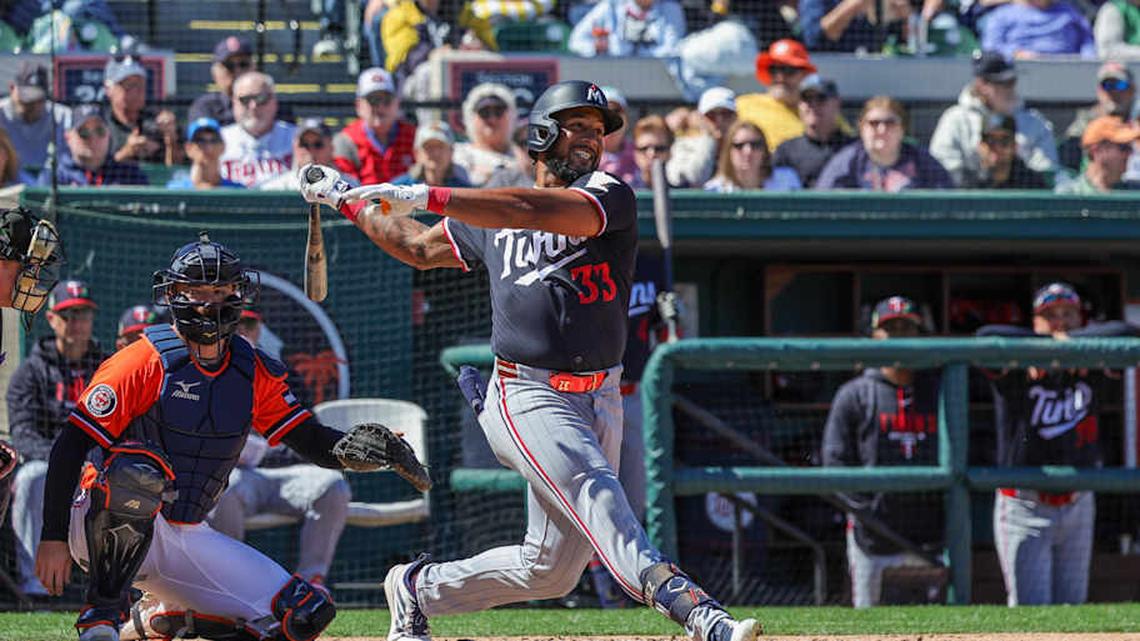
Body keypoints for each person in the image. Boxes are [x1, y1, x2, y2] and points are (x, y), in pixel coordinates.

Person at [299, 79, 761, 641]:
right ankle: (693, 609)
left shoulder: (609, 194)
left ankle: (416, 589)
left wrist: (426, 193)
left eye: (599, 130)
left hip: (600, 394)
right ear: (541, 133)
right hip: (527, 391)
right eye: (578, 127)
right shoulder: (488, 211)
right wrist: (344, 195)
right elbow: (416, 247)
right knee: (596, 491)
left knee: (550, 570)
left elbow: (528, 206)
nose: (592, 140)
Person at [33, 234, 427, 641]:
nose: (210, 301)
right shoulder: (143, 359)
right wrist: (52, 537)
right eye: (197, 290)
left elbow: (307, 437)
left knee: (304, 614)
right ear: (174, 295)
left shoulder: (252, 368)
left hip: (185, 530)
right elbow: (71, 444)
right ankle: (102, 613)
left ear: (239, 294)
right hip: (99, 521)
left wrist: (356, 449)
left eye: (221, 290)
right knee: (137, 471)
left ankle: (167, 619)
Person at [977, 282, 1137, 605]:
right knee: (1030, 613)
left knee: (1071, 609)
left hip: (1077, 501)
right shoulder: (1017, 363)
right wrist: (1040, 349)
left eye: (1068, 315)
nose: (1060, 322)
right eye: (1050, 316)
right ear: (1034, 323)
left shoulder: (1091, 360)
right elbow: (983, 336)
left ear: (1082, 322)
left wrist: (1073, 346)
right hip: (1024, 502)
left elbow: (1128, 332)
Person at [207, 308, 352, 588]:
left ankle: (310, 582)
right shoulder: (208, 371)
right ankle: (228, 580)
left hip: (281, 474)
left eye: (248, 324)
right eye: (235, 324)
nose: (242, 332)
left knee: (333, 485)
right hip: (234, 477)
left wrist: (265, 452)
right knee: (224, 489)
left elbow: (308, 437)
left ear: (259, 329)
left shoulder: (279, 371)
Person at [822, 296, 942, 608]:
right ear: (875, 335)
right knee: (869, 624)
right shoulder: (854, 394)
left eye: (907, 328)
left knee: (937, 626)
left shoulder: (939, 391)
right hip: (871, 540)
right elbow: (833, 464)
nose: (899, 336)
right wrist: (870, 512)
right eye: (891, 329)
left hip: (928, 538)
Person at [8, 280, 103, 600]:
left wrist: (90, 463)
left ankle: (115, 586)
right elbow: (22, 434)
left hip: (96, 468)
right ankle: (35, 586)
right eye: (69, 315)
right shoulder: (31, 372)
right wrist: (65, 464)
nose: (77, 322)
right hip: (50, 469)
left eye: (83, 314)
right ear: (51, 319)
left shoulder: (106, 367)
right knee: (31, 476)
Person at [929, 52, 1058, 187]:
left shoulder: (1034, 122)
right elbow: (941, 173)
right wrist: (981, 179)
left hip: (1021, 201)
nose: (1010, 89)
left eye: (1012, 82)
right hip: (967, 201)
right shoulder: (954, 119)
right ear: (982, 85)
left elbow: (1047, 174)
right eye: (1003, 83)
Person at [816, 97, 952, 191]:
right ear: (862, 128)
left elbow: (946, 200)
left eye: (890, 123)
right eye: (874, 123)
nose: (882, 130)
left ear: (903, 129)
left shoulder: (922, 161)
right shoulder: (846, 162)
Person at [380, 0, 496, 87]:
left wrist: (480, 47)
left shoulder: (463, 11)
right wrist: (437, 54)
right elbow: (406, 59)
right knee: (426, 73)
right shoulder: (399, 15)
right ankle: (431, 120)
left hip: (462, 77)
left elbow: (491, 48)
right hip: (412, 84)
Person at [333, 67, 415, 186]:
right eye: (373, 100)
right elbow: (347, 190)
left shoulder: (413, 136)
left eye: (387, 100)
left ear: (397, 103)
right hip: (365, 204)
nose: (380, 107)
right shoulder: (346, 141)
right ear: (358, 105)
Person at [772, 75, 855, 188]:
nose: (813, 105)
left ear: (837, 104)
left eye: (821, 98)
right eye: (806, 99)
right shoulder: (785, 152)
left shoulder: (855, 149)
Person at [38, 104, 148, 187]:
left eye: (99, 131)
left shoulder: (129, 174)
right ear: (68, 138)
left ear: (108, 135)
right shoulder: (55, 175)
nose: (93, 138)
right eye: (83, 133)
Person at [736, 39, 817, 152]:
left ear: (804, 75)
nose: (780, 78)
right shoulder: (742, 104)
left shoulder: (818, 111)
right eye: (774, 70)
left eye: (789, 70)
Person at [219, 72, 295, 189]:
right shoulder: (218, 139)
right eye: (245, 99)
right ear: (234, 102)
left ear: (274, 101)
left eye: (261, 98)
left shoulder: (297, 139)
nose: (253, 106)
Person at [103, 56, 182, 166]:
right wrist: (127, 152)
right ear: (109, 89)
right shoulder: (100, 124)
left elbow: (176, 173)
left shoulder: (158, 121)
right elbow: (93, 172)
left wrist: (171, 141)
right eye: (129, 86)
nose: (136, 92)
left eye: (140, 85)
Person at [1061, 62, 1136, 171]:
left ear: (1132, 90)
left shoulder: (1137, 120)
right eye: (1107, 85)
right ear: (1099, 91)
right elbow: (1068, 164)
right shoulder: (1085, 123)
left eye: (1120, 85)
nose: (1113, 92)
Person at [0, 60, 71, 174]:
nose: (31, 104)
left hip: (46, 186)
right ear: (12, 88)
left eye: (38, 99)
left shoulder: (61, 116)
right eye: (25, 97)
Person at [668, 86, 737, 189]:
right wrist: (708, 138)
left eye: (726, 114)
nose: (719, 121)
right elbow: (695, 178)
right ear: (700, 118)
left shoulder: (745, 147)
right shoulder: (684, 146)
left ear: (736, 117)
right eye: (711, 115)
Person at [452, 83, 519, 187]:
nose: (492, 119)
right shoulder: (459, 154)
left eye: (498, 112)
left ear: (511, 115)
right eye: (484, 113)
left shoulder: (524, 154)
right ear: (470, 117)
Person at [703, 121, 802, 192]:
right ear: (728, 152)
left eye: (755, 145)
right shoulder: (714, 190)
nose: (748, 151)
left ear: (764, 151)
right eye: (739, 146)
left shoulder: (787, 180)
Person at [567, 0, 686, 58]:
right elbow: (576, 41)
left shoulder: (671, 9)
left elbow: (673, 48)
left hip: (658, 75)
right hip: (613, 73)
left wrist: (640, 55)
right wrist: (595, 48)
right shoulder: (610, 6)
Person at [261, 118, 352, 191]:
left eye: (318, 144)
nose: (311, 151)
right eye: (304, 144)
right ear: (294, 147)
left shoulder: (349, 187)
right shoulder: (277, 189)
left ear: (331, 147)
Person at [959, 114, 1049, 189]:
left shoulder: (1032, 181)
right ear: (980, 146)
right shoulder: (969, 182)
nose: (997, 147)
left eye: (1004, 141)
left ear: (1015, 146)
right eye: (990, 141)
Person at [980, 0, 1095, 58]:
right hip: (1019, 74)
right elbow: (991, 48)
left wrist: (1084, 62)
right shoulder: (1002, 15)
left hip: (1066, 71)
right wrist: (1016, 54)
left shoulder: (1069, 13)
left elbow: (1088, 43)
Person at [1055, 116, 1140, 194]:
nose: (1129, 153)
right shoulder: (1069, 194)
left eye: (1130, 148)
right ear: (1095, 151)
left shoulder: (1135, 191)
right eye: (1123, 147)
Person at [188, 35, 256, 126]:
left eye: (243, 64)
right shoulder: (205, 108)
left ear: (254, 68)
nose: (237, 71)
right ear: (215, 74)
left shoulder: (267, 104)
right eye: (229, 66)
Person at [800, 0, 912, 52]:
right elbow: (816, 38)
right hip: (830, 76)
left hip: (879, 71)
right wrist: (855, 4)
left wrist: (905, 16)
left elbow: (903, 44)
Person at [167, 118, 244, 190]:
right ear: (188, 148)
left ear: (223, 147)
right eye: (200, 141)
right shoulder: (176, 190)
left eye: (214, 140)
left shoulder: (237, 190)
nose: (208, 147)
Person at [391, 122, 472, 187]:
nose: (435, 153)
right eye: (429, 147)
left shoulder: (463, 191)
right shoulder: (400, 189)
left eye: (441, 147)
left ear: (451, 152)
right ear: (416, 153)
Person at [598, 86, 638, 186]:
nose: (610, 117)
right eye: (604, 112)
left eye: (616, 110)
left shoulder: (642, 150)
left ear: (626, 118)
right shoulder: (583, 155)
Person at [630, 114, 675, 188]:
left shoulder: (683, 193)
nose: (652, 154)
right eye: (644, 149)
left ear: (669, 153)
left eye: (659, 148)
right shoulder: (623, 194)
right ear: (635, 153)